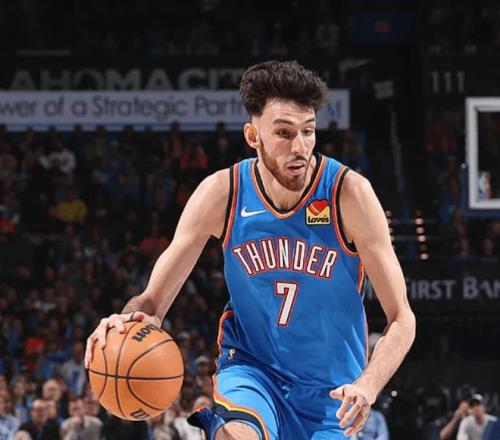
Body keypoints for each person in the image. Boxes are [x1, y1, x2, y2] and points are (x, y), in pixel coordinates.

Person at [85, 60, 416, 439]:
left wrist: (368, 386)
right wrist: (127, 320)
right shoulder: (222, 193)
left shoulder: (349, 194)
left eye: (308, 131)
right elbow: (152, 302)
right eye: (284, 133)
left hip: (333, 392)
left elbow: (402, 318)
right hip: (253, 371)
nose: (300, 147)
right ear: (253, 136)